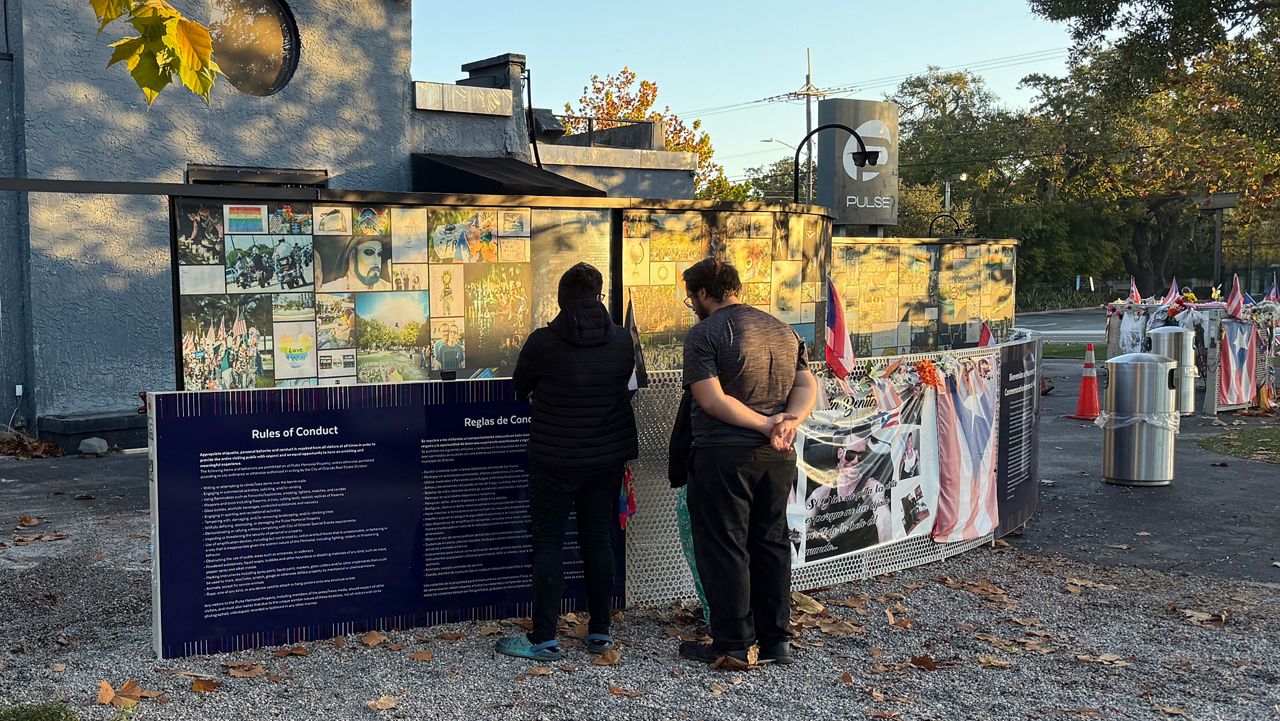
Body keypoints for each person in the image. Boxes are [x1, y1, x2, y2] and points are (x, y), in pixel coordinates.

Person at [677, 257, 818, 666]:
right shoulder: (782, 329)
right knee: (771, 542)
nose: (693, 304)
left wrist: (764, 424)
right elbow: (807, 382)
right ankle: (776, 640)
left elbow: (711, 399)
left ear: (703, 293)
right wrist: (789, 422)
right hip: (777, 456)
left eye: (692, 297)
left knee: (725, 546)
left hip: (723, 454)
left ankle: (733, 644)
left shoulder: (704, 334)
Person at [496, 263, 638, 663]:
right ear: (600, 295)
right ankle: (600, 633)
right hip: (606, 458)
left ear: (560, 299)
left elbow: (520, 388)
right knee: (598, 541)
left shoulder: (542, 342)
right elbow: (624, 388)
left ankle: (543, 637)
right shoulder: (623, 341)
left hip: (554, 459)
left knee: (548, 543)